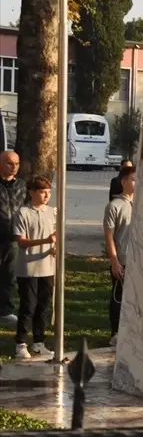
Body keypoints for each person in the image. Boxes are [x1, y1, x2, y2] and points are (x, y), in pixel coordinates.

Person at [12, 176, 56, 360]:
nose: (46, 196)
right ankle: (20, 343)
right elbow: (21, 242)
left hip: (48, 268)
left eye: (48, 192)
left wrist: (55, 247)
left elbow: (56, 235)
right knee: (28, 306)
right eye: (42, 192)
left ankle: (39, 342)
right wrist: (45, 241)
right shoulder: (23, 213)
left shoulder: (52, 212)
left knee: (44, 307)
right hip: (29, 268)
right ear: (32, 192)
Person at [103, 165, 136, 345]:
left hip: (138, 261)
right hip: (122, 259)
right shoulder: (115, 206)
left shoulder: (142, 205)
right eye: (133, 179)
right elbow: (109, 236)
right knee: (118, 297)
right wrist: (114, 261)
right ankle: (115, 332)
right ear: (124, 182)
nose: (136, 183)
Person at [0, 150, 24, 325]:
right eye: (9, 163)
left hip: (13, 237)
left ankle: (6, 310)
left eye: (16, 163)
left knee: (9, 274)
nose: (14, 167)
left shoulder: (21, 186)